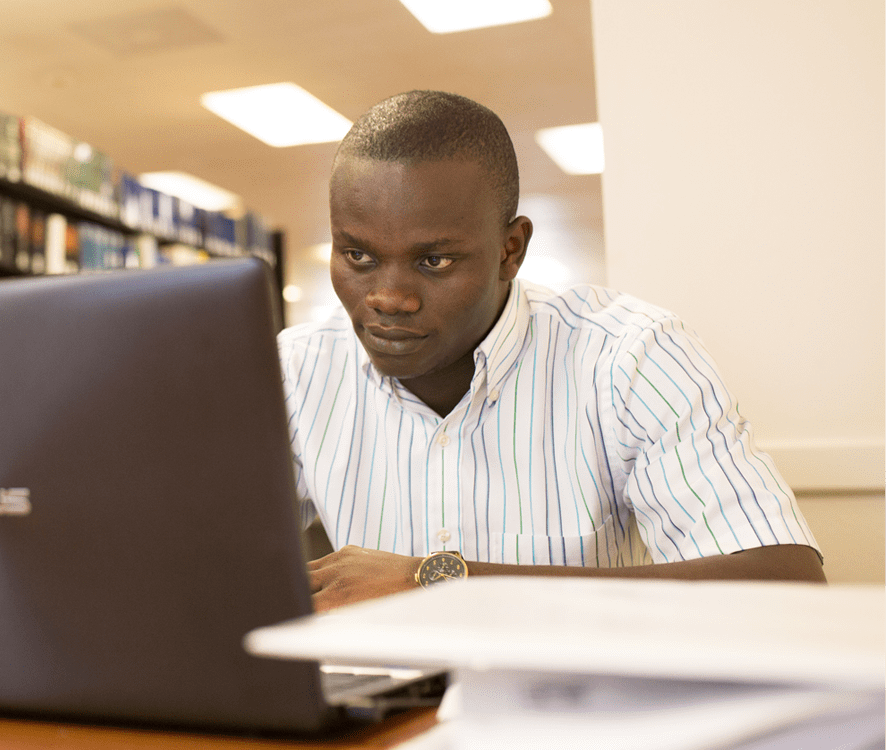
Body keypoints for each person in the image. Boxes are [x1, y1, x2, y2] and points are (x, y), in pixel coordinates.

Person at [282, 90, 825, 612]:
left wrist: (435, 581)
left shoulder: (629, 355)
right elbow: (209, 561)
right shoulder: (294, 371)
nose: (388, 298)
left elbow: (785, 583)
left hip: (578, 702)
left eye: (435, 261)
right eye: (357, 255)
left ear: (510, 249)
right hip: (377, 703)